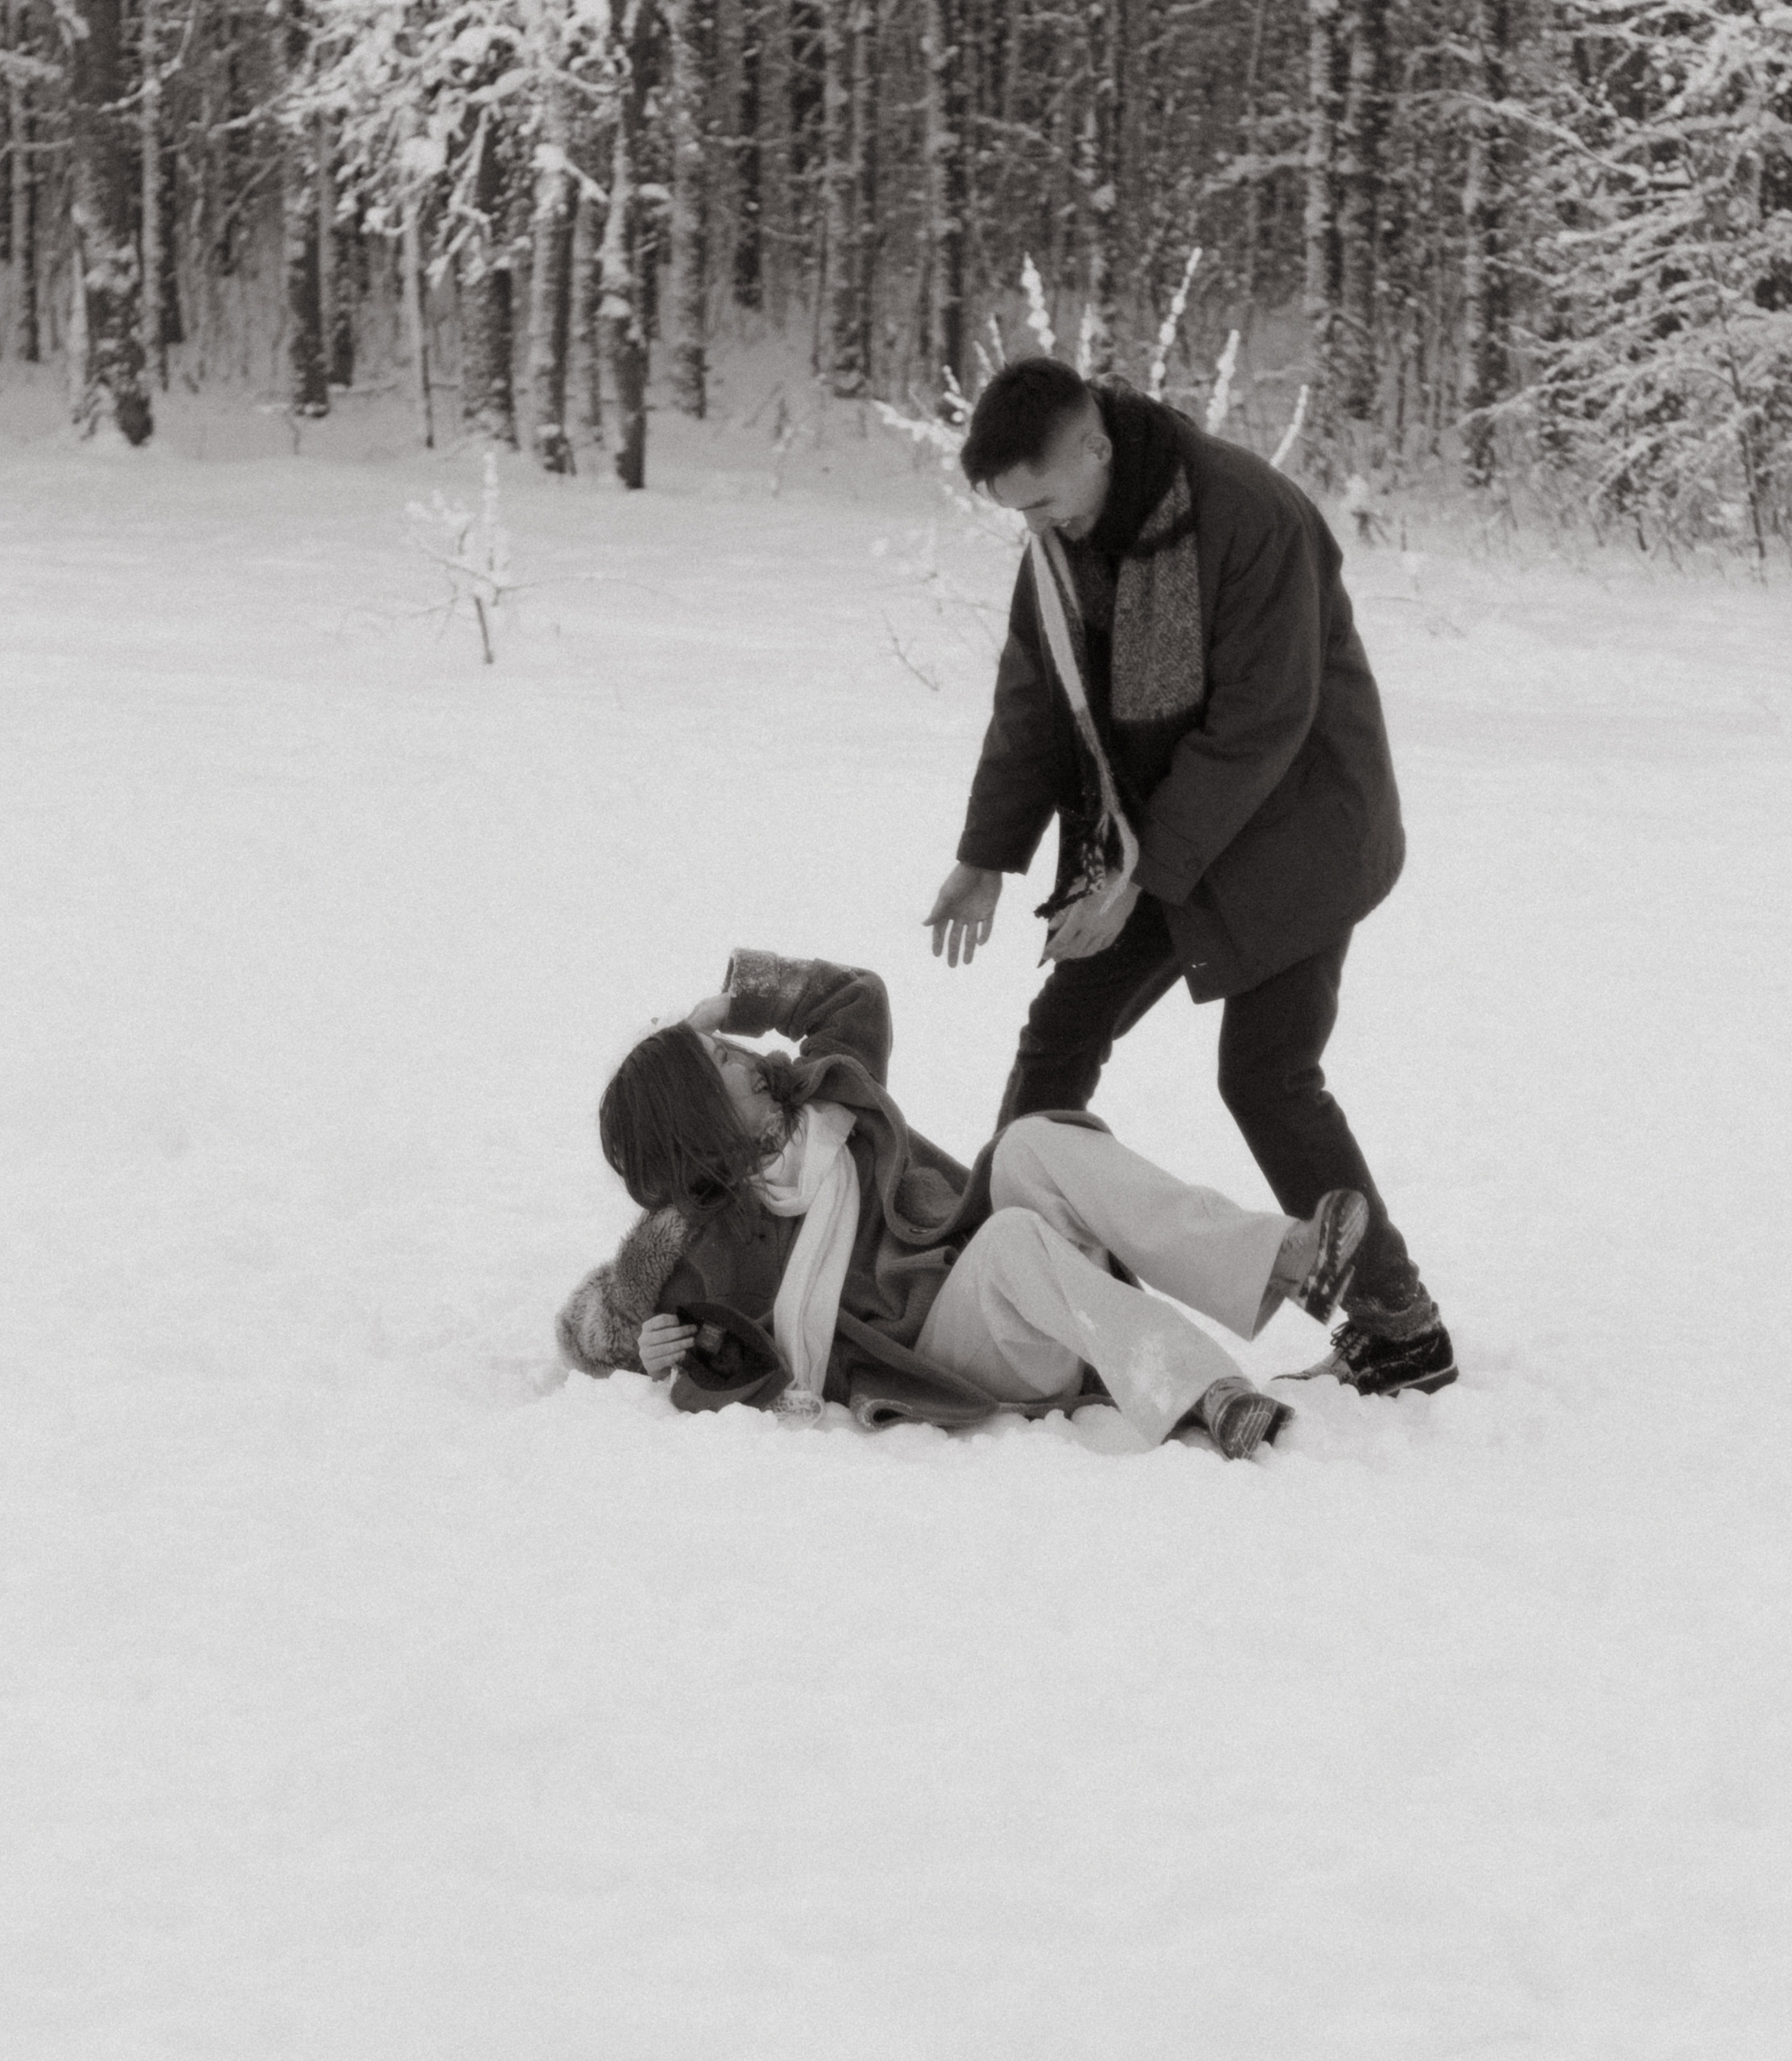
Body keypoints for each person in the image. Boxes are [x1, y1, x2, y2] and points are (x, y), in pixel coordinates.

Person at [923, 356, 1454, 1396]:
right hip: (1156, 831)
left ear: (1095, 447)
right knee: (1063, 1032)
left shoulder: (1248, 514)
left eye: (1041, 502)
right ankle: (1000, 1279)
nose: (1034, 530)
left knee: (1265, 1075)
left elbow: (1262, 724)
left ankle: (1402, 1327)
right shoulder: (1056, 544)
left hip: (1299, 831)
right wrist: (987, 854)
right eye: (1014, 514)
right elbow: (1035, 699)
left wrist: (1139, 876)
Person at [553, 951, 1378, 1460]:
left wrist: (736, 997)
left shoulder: (828, 1094)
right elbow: (589, 1319)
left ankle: (1280, 1261)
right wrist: (639, 1340)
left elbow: (855, 995)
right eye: (720, 1060)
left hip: (1007, 1280)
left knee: (1029, 1144)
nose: (742, 1055)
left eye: (728, 1044)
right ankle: (1205, 1395)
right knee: (1015, 1238)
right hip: (945, 1350)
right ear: (701, 1120)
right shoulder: (711, 1236)